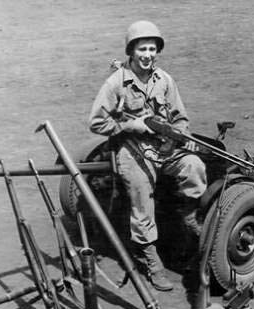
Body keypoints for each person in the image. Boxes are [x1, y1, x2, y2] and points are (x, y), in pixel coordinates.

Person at [88, 20, 207, 292]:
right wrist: (130, 125)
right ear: (131, 51)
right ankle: (150, 259)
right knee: (141, 196)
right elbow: (96, 122)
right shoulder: (116, 82)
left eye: (152, 49)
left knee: (194, 166)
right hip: (130, 148)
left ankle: (187, 217)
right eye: (142, 49)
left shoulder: (164, 80)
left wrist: (180, 137)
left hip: (163, 146)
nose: (148, 55)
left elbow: (180, 118)